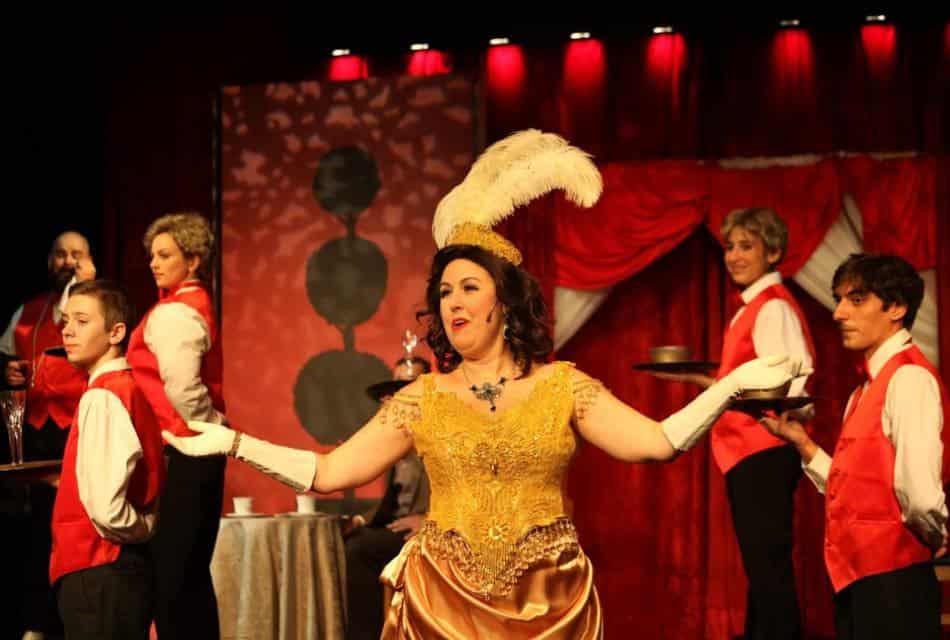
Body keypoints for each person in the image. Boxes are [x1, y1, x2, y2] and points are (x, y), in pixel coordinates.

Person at [162, 130, 809, 639]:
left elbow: (660, 442)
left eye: (469, 287)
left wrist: (734, 384)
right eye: (444, 291)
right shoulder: (422, 398)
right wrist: (232, 442)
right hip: (441, 606)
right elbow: (327, 473)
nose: (452, 302)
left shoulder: (563, 387)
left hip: (550, 605)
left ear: (504, 303)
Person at [761, 253, 948, 640]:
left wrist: (937, 537)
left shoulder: (909, 379)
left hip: (895, 584)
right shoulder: (863, 390)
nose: (839, 313)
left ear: (896, 308)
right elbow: (857, 488)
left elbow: (921, 497)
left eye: (856, 299)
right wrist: (803, 444)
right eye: (839, 298)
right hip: (860, 583)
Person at [652, 207, 815, 639]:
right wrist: (692, 377)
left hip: (763, 450)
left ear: (773, 252)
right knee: (762, 571)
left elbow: (794, 378)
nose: (734, 256)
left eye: (747, 246)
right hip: (749, 453)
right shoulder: (753, 307)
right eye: (730, 247)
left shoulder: (772, 308)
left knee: (769, 571)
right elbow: (740, 385)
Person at [125, 212, 226, 639]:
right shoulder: (183, 306)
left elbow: (183, 388)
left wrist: (201, 428)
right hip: (194, 451)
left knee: (174, 577)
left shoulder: (176, 314)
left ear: (195, 260)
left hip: (184, 450)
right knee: (189, 577)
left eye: (165, 255)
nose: (154, 263)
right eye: (152, 255)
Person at [49, 280, 165, 640]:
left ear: (116, 332)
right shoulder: (125, 388)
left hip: (100, 565)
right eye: (66, 320)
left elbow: (105, 507)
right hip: (109, 568)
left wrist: (141, 529)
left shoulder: (104, 396)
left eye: (82, 321)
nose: (68, 330)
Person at [0, 230, 96, 640]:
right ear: (48, 261)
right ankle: (38, 622)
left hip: (81, 429)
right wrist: (8, 372)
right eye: (60, 254)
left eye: (77, 254)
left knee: (80, 529)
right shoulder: (27, 310)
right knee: (40, 532)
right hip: (38, 434)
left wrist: (88, 284)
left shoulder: (94, 304)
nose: (68, 261)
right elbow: (8, 357)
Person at [347, 356, 432, 640]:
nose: (402, 395)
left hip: (435, 530)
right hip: (399, 527)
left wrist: (429, 521)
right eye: (396, 390)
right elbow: (392, 501)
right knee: (348, 542)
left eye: (409, 386)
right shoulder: (394, 440)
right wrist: (360, 519)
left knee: (360, 551)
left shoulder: (442, 434)